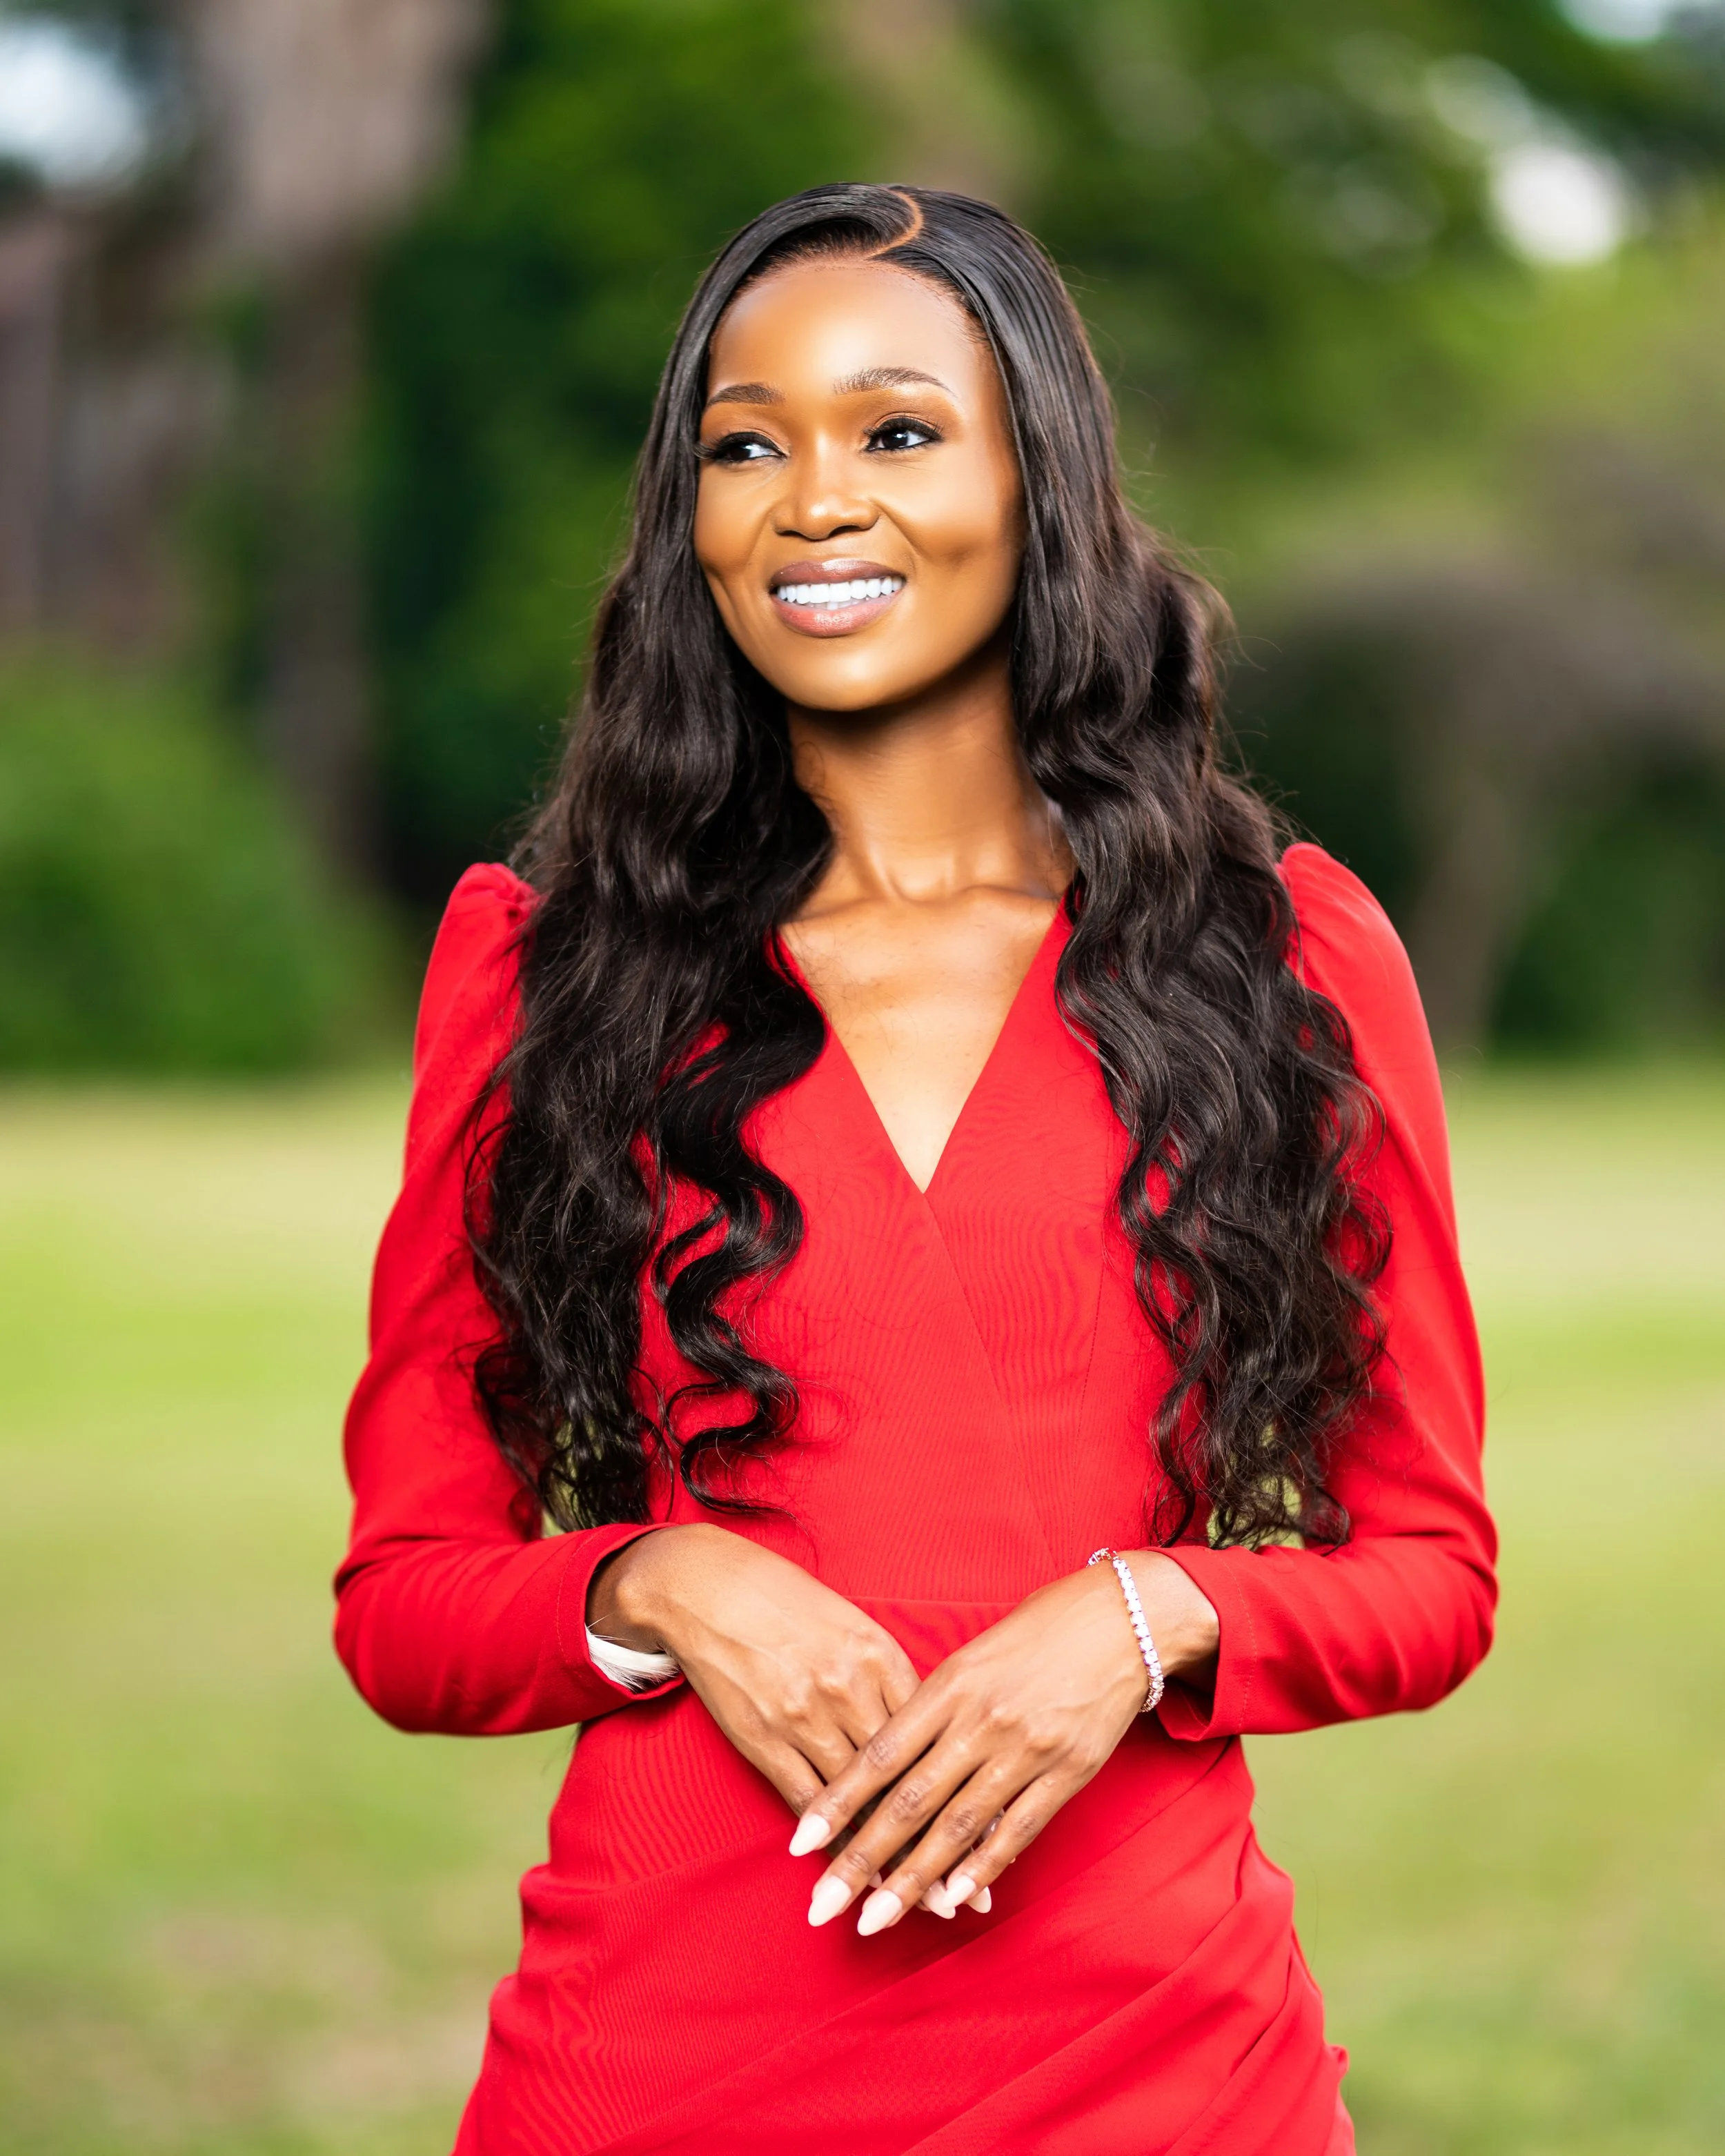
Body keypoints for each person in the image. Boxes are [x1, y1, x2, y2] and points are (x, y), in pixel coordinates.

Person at [335, 184, 1495, 2156]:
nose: (811, 500)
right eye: (742, 444)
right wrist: (655, 1575)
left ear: (1034, 480)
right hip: (664, 2060)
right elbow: (405, 1603)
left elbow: (1427, 1573)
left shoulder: (1283, 957)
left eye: (892, 430)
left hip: (1157, 2065)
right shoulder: (546, 972)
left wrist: (1148, 1614)